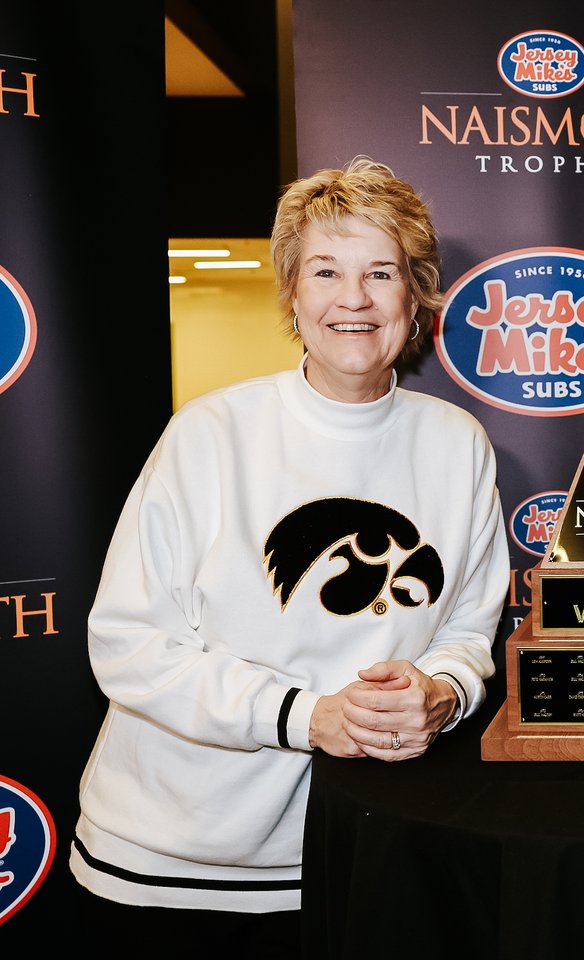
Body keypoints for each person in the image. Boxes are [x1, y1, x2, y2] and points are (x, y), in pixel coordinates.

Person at [69, 157, 510, 957]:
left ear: (415, 298)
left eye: (381, 272)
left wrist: (443, 692)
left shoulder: (458, 445)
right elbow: (129, 645)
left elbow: (471, 633)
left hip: (367, 852)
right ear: (293, 295)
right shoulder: (210, 436)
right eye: (326, 271)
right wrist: (309, 717)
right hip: (181, 860)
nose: (354, 298)